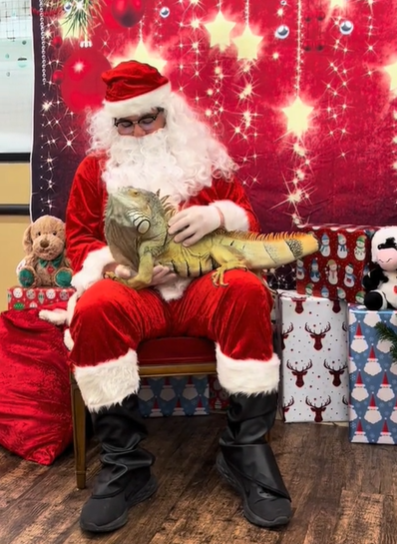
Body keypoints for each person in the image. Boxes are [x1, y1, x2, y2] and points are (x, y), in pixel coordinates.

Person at [65, 60, 292, 534]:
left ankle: (245, 450)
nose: (139, 131)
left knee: (246, 290)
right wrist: (118, 266)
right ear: (112, 125)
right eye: (125, 122)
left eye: (148, 118)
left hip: (200, 283)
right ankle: (125, 465)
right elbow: (80, 240)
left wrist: (218, 216)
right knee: (94, 307)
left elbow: (246, 218)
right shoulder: (94, 170)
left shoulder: (202, 160)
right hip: (134, 290)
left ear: (170, 113)